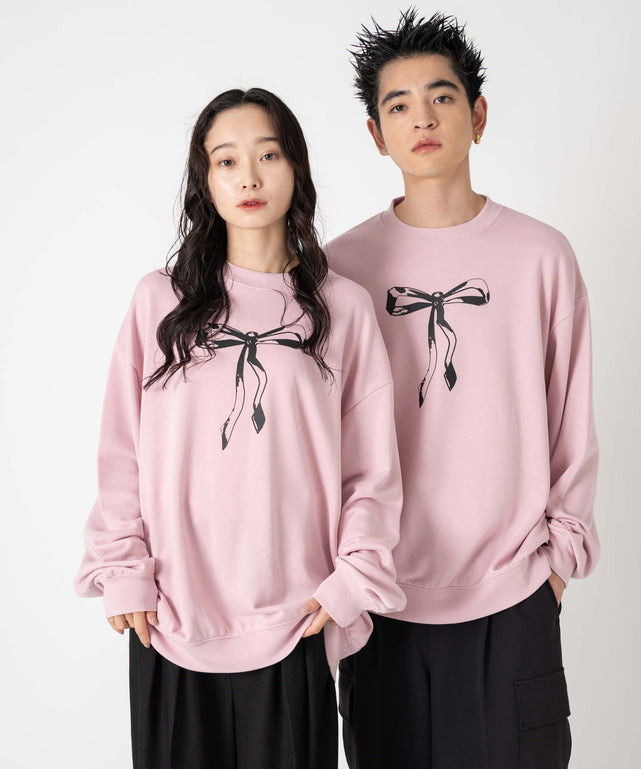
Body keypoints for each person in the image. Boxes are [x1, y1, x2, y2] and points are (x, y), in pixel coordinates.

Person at [74, 87, 406, 769]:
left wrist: (351, 580)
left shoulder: (342, 308)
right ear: (205, 180)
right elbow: (121, 452)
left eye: (268, 155)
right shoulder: (159, 300)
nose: (248, 177)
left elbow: (370, 470)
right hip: (169, 617)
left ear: (296, 167)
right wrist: (125, 570)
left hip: (294, 618)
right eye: (226, 161)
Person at [327, 10, 599, 769]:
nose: (422, 118)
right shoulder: (338, 270)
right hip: (381, 599)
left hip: (513, 595)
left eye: (441, 97)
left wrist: (556, 563)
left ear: (477, 116)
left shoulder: (541, 256)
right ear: (376, 134)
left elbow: (572, 413)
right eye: (399, 105)